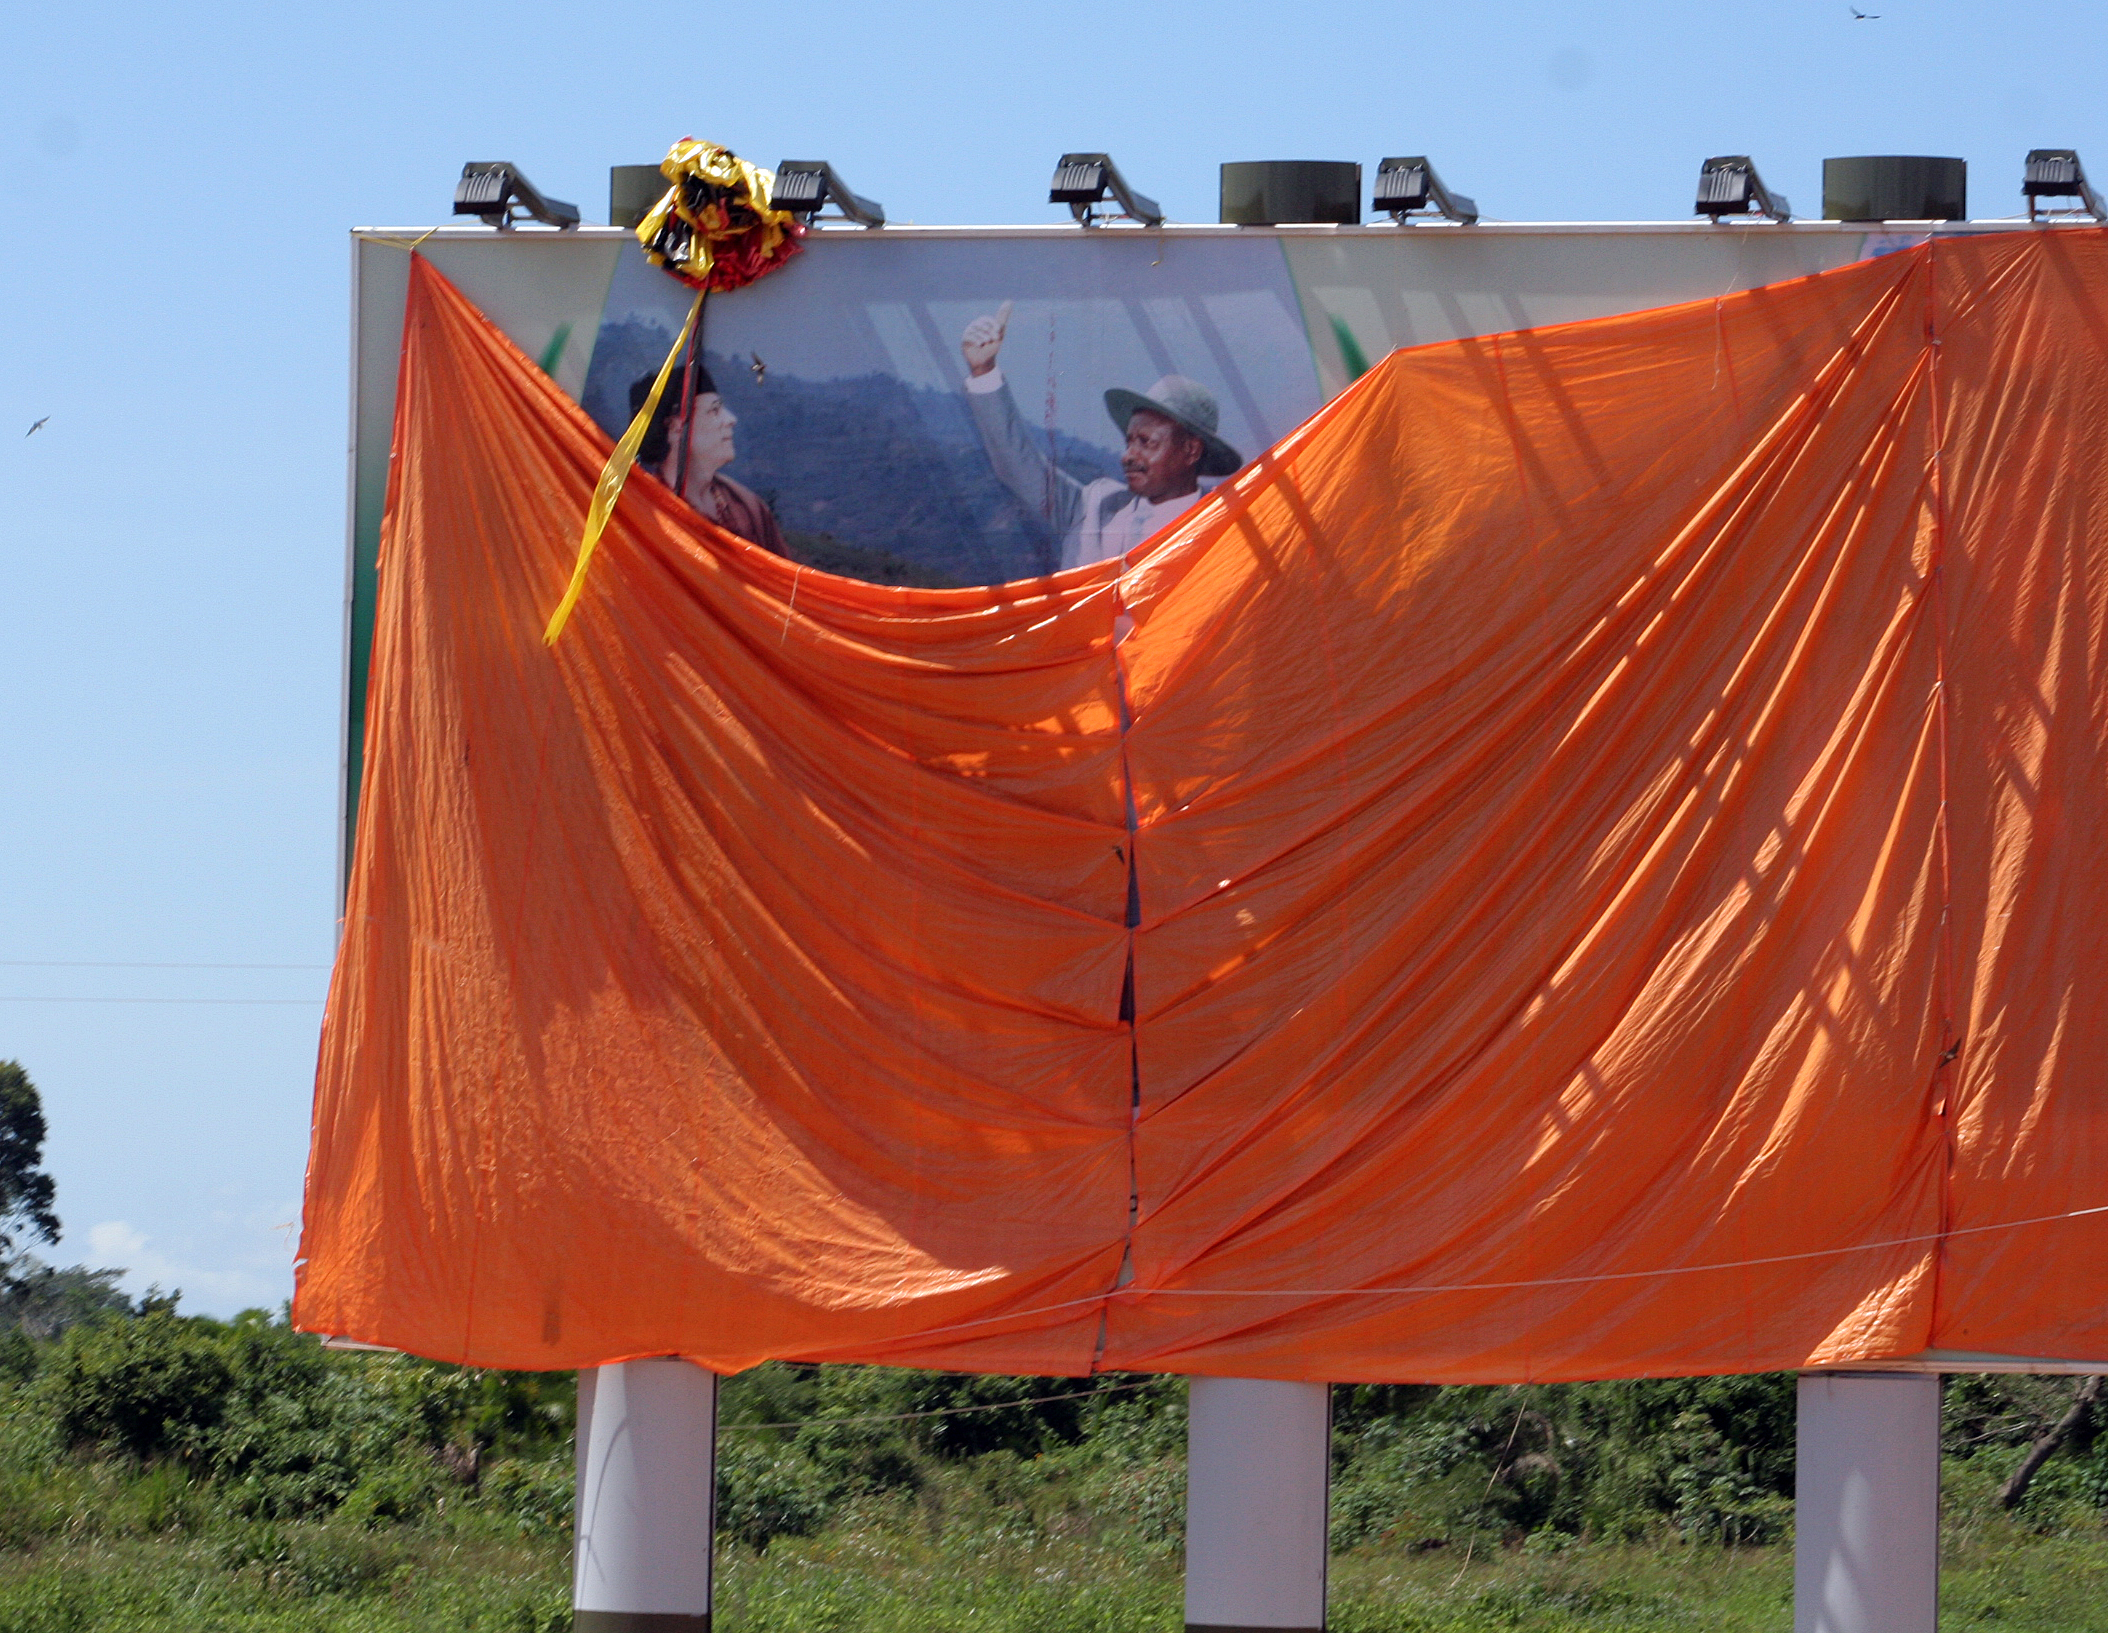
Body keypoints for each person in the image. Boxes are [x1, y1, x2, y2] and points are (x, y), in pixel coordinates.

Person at [959, 302, 1243, 571]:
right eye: (1129, 441)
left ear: (1191, 451)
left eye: (1147, 442)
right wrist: (983, 372)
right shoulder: (1095, 505)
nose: (1128, 456)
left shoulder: (1223, 534)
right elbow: (1019, 466)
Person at [629, 365, 788, 557]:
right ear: (674, 427)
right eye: (714, 410)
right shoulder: (647, 513)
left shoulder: (748, 506)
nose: (731, 419)